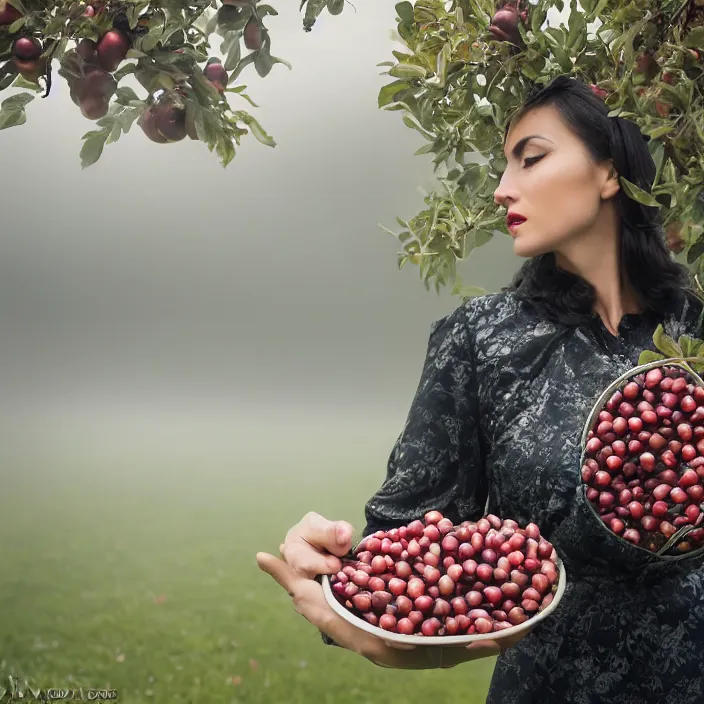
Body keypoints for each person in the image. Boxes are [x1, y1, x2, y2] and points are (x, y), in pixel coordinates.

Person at [255, 74, 704, 702]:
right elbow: (411, 548)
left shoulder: (694, 326)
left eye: (533, 158)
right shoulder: (482, 340)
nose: (502, 190)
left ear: (610, 173)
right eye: (503, 166)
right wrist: (335, 571)